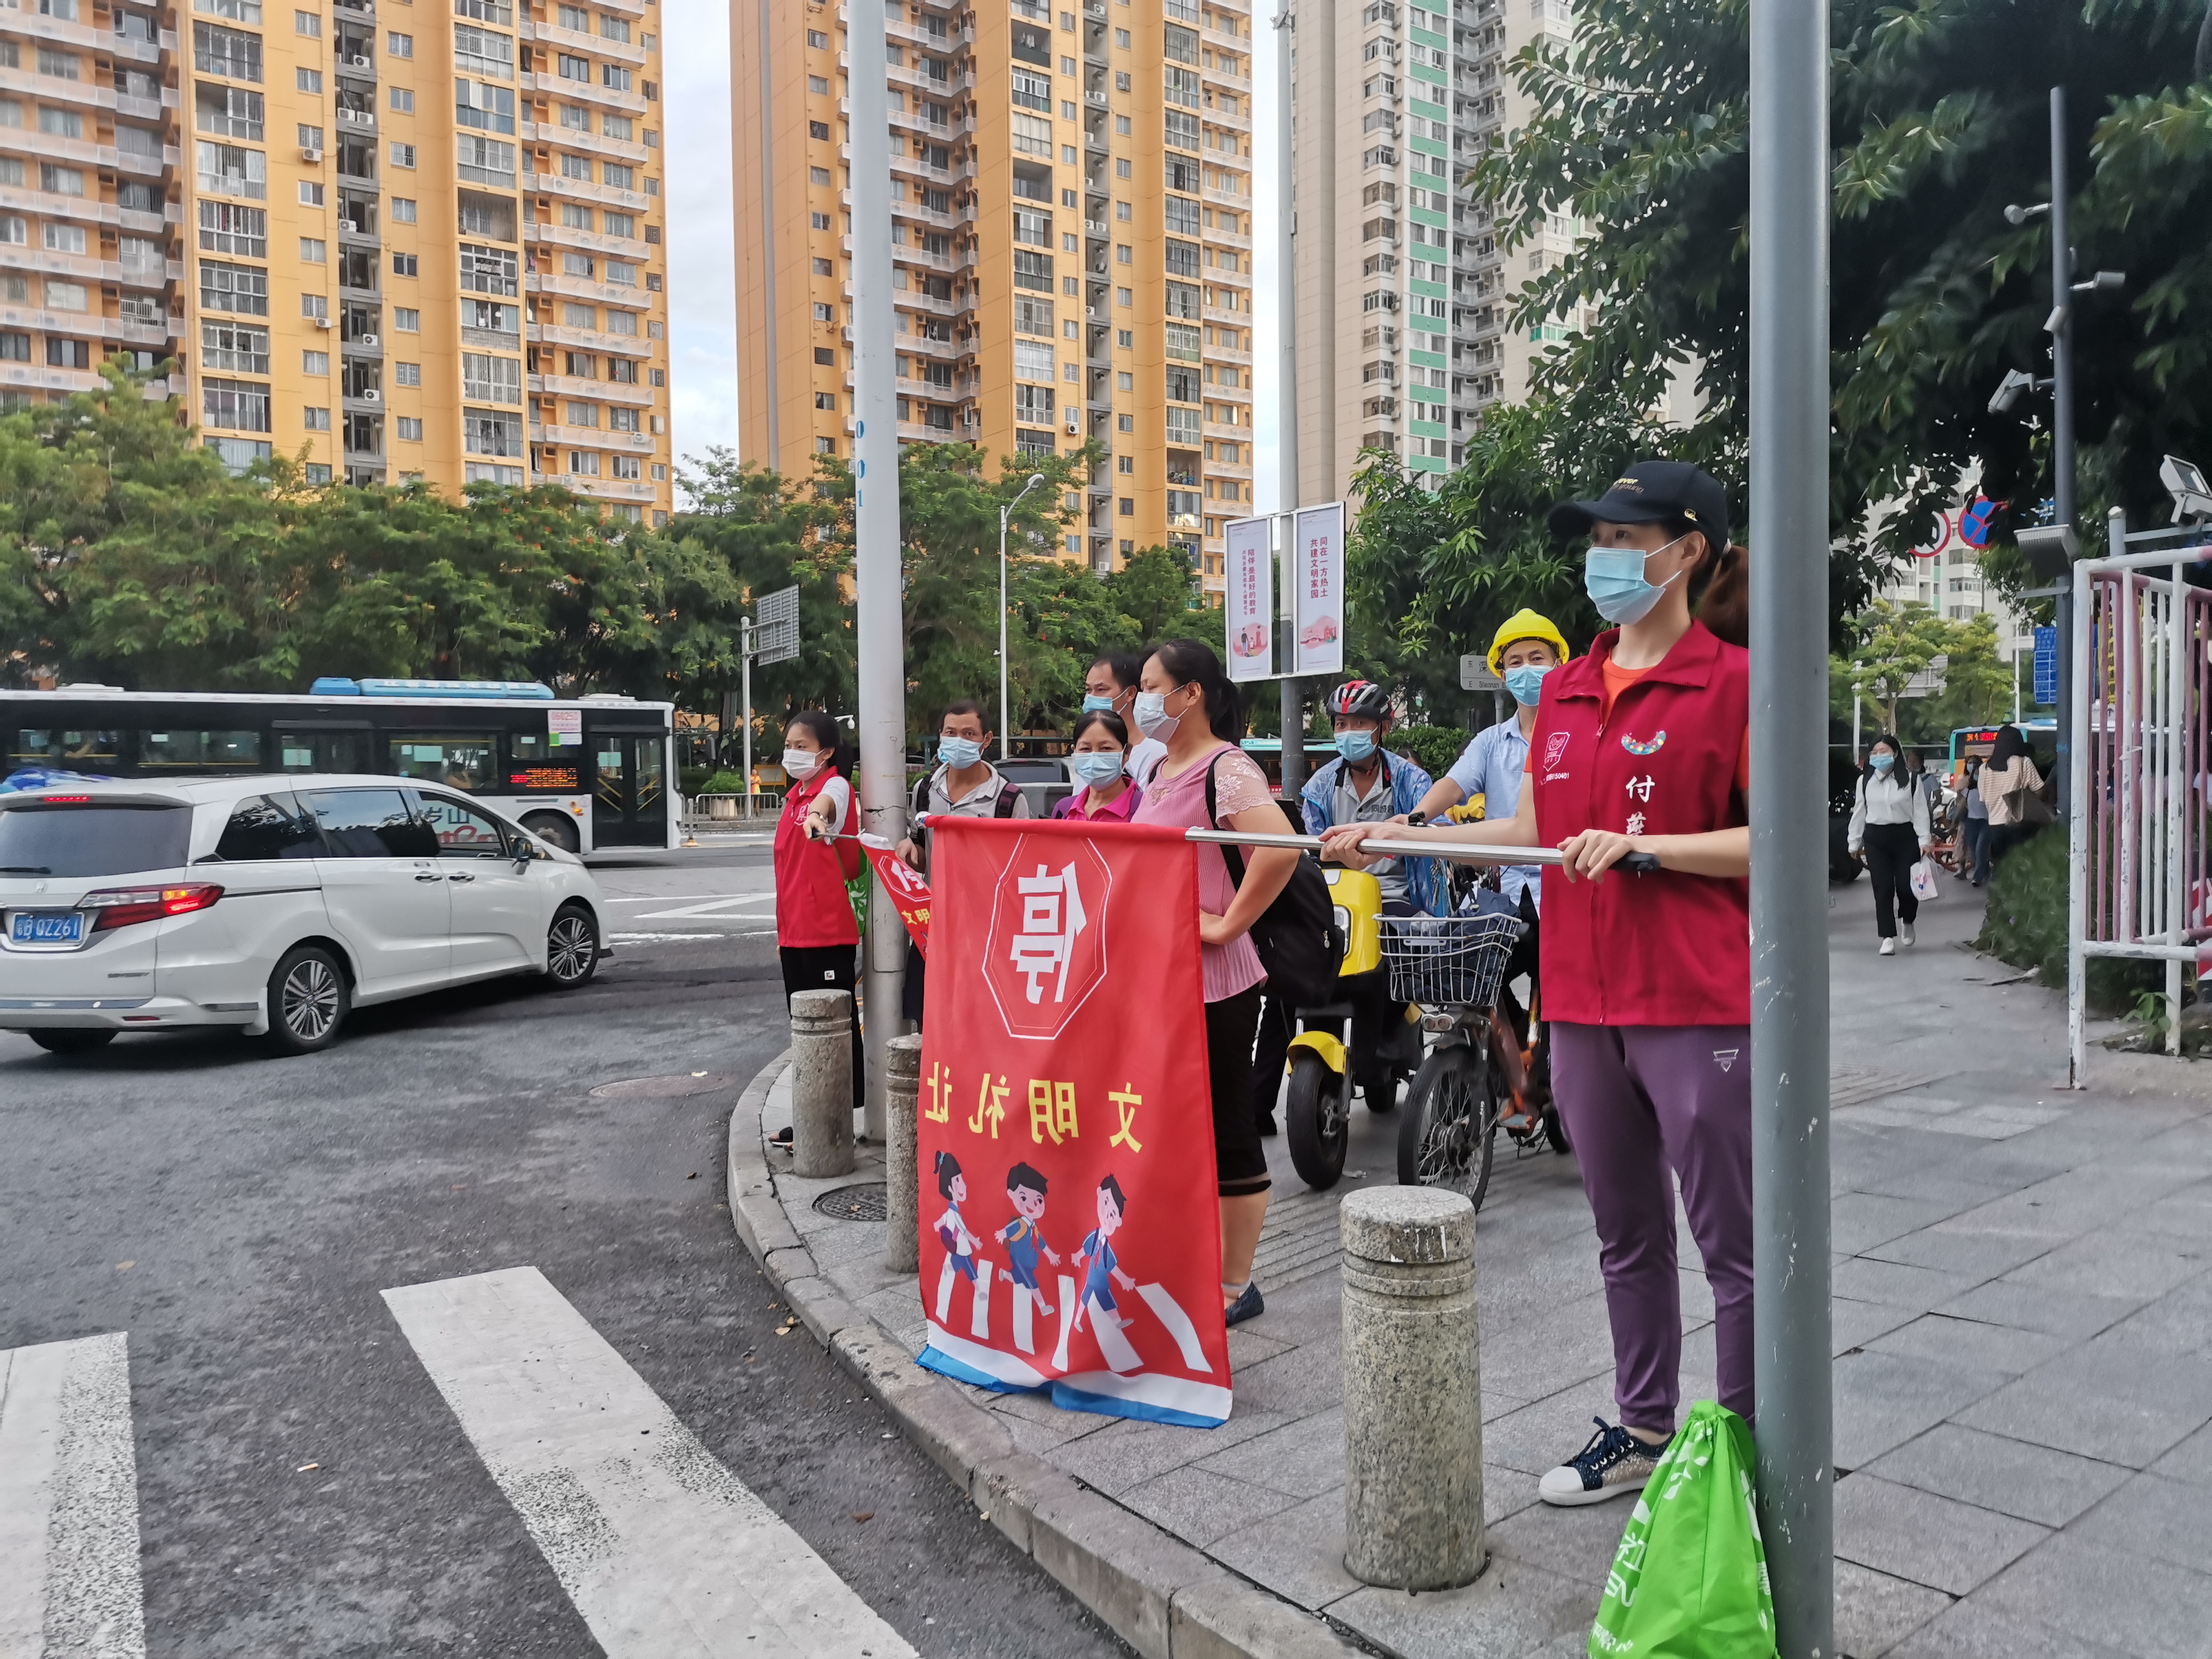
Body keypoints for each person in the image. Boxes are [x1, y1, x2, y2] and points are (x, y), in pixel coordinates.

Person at [1323, 458, 1754, 1509]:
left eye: (1623, 539)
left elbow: (1776, 840)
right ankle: (1646, 1430)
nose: (1602, 559)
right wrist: (1400, 836)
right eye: (1597, 541)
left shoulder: (1738, 683)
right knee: (1625, 1233)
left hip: (1694, 1000)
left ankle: (1746, 1457)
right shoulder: (1564, 691)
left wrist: (1651, 849)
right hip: (1583, 1000)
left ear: (1686, 551)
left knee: (1731, 1245)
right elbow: (1534, 831)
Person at [1131, 637, 1301, 1327]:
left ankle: (1235, 1285)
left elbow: (1280, 848)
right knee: (1173, 1122)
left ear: (1190, 693)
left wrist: (1228, 924)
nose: (1140, 701)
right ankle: (1189, 1260)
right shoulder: (1157, 767)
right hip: (1158, 975)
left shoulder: (1225, 768)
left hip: (1215, 980)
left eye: (1150, 687)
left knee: (1228, 1122)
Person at [1409, 609, 1573, 1125]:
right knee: (1474, 971)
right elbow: (1453, 786)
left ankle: (1550, 1080)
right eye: (1515, 661)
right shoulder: (1490, 742)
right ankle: (1516, 1062)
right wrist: (1416, 819)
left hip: (1566, 890)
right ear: (1502, 672)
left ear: (1559, 663)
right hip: (1507, 893)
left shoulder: (1575, 731)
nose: (1527, 670)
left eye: (1537, 658)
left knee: (1564, 989)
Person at [1294, 680, 1438, 1110]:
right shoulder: (1320, 785)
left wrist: (1402, 834)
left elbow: (1439, 828)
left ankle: (1387, 1045)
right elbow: (1309, 846)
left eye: (1360, 723)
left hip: (1395, 895)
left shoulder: (1412, 780)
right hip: (1336, 898)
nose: (1349, 732)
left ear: (1383, 728)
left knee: (1392, 963)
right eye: (1341, 724)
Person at [896, 700, 1033, 1022]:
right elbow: (923, 853)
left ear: (986, 740)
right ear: (940, 735)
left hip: (987, 936)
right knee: (929, 1019)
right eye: (951, 733)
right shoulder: (925, 790)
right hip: (934, 929)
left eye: (969, 734)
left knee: (981, 1024)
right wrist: (910, 852)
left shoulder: (1008, 799)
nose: (959, 741)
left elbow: (1021, 871)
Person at [776, 710, 863, 1116]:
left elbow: (828, 807)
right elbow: (789, 873)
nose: (791, 753)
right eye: (788, 745)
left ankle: (837, 1116)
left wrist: (816, 815)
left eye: (802, 746)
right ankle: (812, 1118)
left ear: (825, 752)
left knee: (834, 1027)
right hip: (795, 933)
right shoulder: (793, 797)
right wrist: (782, 936)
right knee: (805, 1029)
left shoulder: (834, 787)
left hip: (827, 932)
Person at [1847, 734, 1934, 956]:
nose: (1878, 756)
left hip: (1905, 836)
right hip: (1876, 838)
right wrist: (1854, 842)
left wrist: (1924, 840)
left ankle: (1908, 919)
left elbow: (1920, 811)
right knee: (1883, 887)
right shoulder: (1864, 781)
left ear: (1895, 754)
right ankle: (1887, 937)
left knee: (1907, 886)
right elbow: (1860, 812)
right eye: (1874, 753)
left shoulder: (1911, 780)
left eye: (1883, 751)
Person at [1083, 654, 1169, 791]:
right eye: (1088, 690)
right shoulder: (1085, 753)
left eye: (1101, 689)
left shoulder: (1155, 753)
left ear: (1130, 693)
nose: (1091, 698)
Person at [1053, 709, 1143, 823]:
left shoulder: (1144, 808)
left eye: (1106, 748)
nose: (1094, 757)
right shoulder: (1064, 811)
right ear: (1074, 751)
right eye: (1085, 749)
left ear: (1127, 752)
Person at [1979, 723, 2047, 866]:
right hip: (2019, 826)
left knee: (2001, 869)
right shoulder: (2023, 762)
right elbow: (2039, 790)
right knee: (2022, 868)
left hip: (1995, 828)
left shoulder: (1984, 769)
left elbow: (1983, 798)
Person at [1958, 754, 1991, 885]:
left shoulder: (1987, 786)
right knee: (1974, 850)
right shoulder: (1967, 788)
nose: (1973, 769)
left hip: (1986, 822)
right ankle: (1985, 870)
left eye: (1975, 766)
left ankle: (1977, 877)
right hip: (1971, 822)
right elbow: (1961, 804)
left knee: (1980, 849)